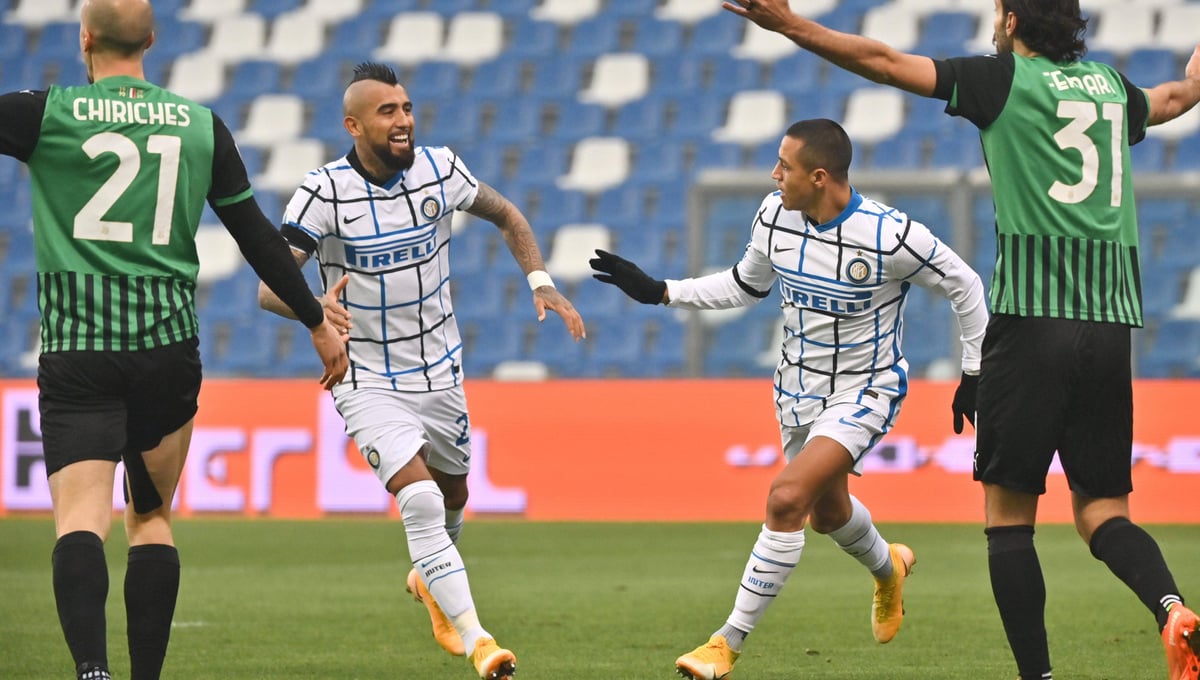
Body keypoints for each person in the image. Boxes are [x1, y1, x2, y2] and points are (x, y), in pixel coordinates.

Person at [723, 1, 1200, 679]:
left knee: (1009, 521)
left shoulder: (1002, 80)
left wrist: (792, 26)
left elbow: (884, 62)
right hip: (1109, 326)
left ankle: (1038, 676)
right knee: (1102, 510)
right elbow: (1174, 98)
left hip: (1030, 323)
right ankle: (1171, 607)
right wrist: (1197, 80)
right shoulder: (1111, 88)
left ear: (1012, 21)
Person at [0, 1, 349, 679]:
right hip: (165, 351)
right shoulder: (200, 125)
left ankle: (92, 670)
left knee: (81, 520)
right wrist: (315, 321)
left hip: (80, 350)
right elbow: (257, 238)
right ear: (152, 40)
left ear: (85, 38)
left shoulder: (45, 114)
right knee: (152, 520)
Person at [591, 118, 988, 679]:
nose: (774, 175)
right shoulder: (774, 215)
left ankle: (724, 644)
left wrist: (974, 372)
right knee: (828, 514)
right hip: (796, 390)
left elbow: (965, 283)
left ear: (819, 177)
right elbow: (744, 285)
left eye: (785, 166)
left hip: (865, 389)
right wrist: (661, 291)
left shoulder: (889, 235)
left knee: (785, 499)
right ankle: (889, 569)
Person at [258, 61, 585, 680]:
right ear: (354, 126)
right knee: (422, 499)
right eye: (388, 112)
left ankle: (428, 579)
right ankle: (480, 642)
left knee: (455, 495)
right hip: (366, 377)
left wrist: (540, 280)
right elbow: (269, 287)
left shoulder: (441, 169)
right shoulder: (325, 191)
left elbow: (508, 215)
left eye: (406, 108)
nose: (403, 120)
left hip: (440, 371)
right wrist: (315, 308)